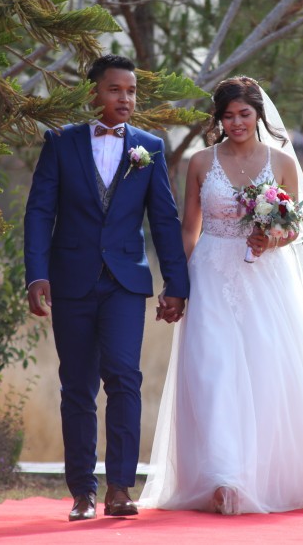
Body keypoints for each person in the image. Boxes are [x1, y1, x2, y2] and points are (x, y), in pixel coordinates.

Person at [139, 76, 303, 515]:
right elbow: (188, 228)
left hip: (265, 279)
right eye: (227, 116)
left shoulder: (282, 162)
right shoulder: (199, 162)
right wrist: (177, 284)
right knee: (213, 373)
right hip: (209, 273)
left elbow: (294, 227)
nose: (236, 122)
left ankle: (260, 476)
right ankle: (223, 479)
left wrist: (272, 240)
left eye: (244, 114)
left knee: (266, 374)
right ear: (219, 119)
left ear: (258, 114)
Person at [23, 54, 190, 522]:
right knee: (77, 386)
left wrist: (176, 283)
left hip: (124, 283)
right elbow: (39, 213)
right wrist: (37, 274)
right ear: (93, 91)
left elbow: (164, 219)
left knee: (124, 377)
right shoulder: (60, 143)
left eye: (132, 91)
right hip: (71, 281)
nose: (126, 98)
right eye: (116, 89)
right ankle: (82, 492)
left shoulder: (149, 147)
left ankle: (120, 487)